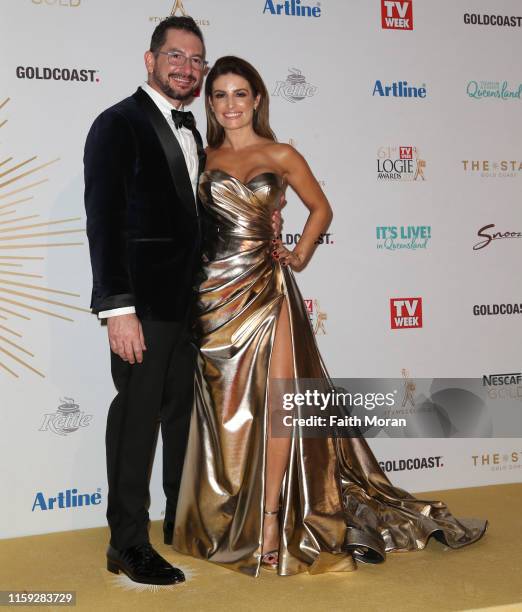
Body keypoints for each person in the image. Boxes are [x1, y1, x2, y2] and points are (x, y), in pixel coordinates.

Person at [172, 56, 488, 577]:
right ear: (210, 103)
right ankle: (225, 518)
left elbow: (321, 208)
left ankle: (272, 518)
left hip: (268, 291)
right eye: (220, 95)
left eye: (240, 94)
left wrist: (300, 253)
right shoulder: (198, 157)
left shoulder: (282, 153)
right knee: (226, 415)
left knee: (280, 407)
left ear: (257, 99)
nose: (230, 104)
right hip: (214, 296)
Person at [84, 16, 208, 585]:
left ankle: (180, 527)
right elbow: (104, 224)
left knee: (181, 420)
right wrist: (118, 309)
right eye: (175, 57)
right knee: (137, 421)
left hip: (189, 308)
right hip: (142, 310)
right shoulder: (118, 124)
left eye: (196, 60)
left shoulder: (196, 132)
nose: (186, 68)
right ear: (150, 59)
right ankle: (126, 543)